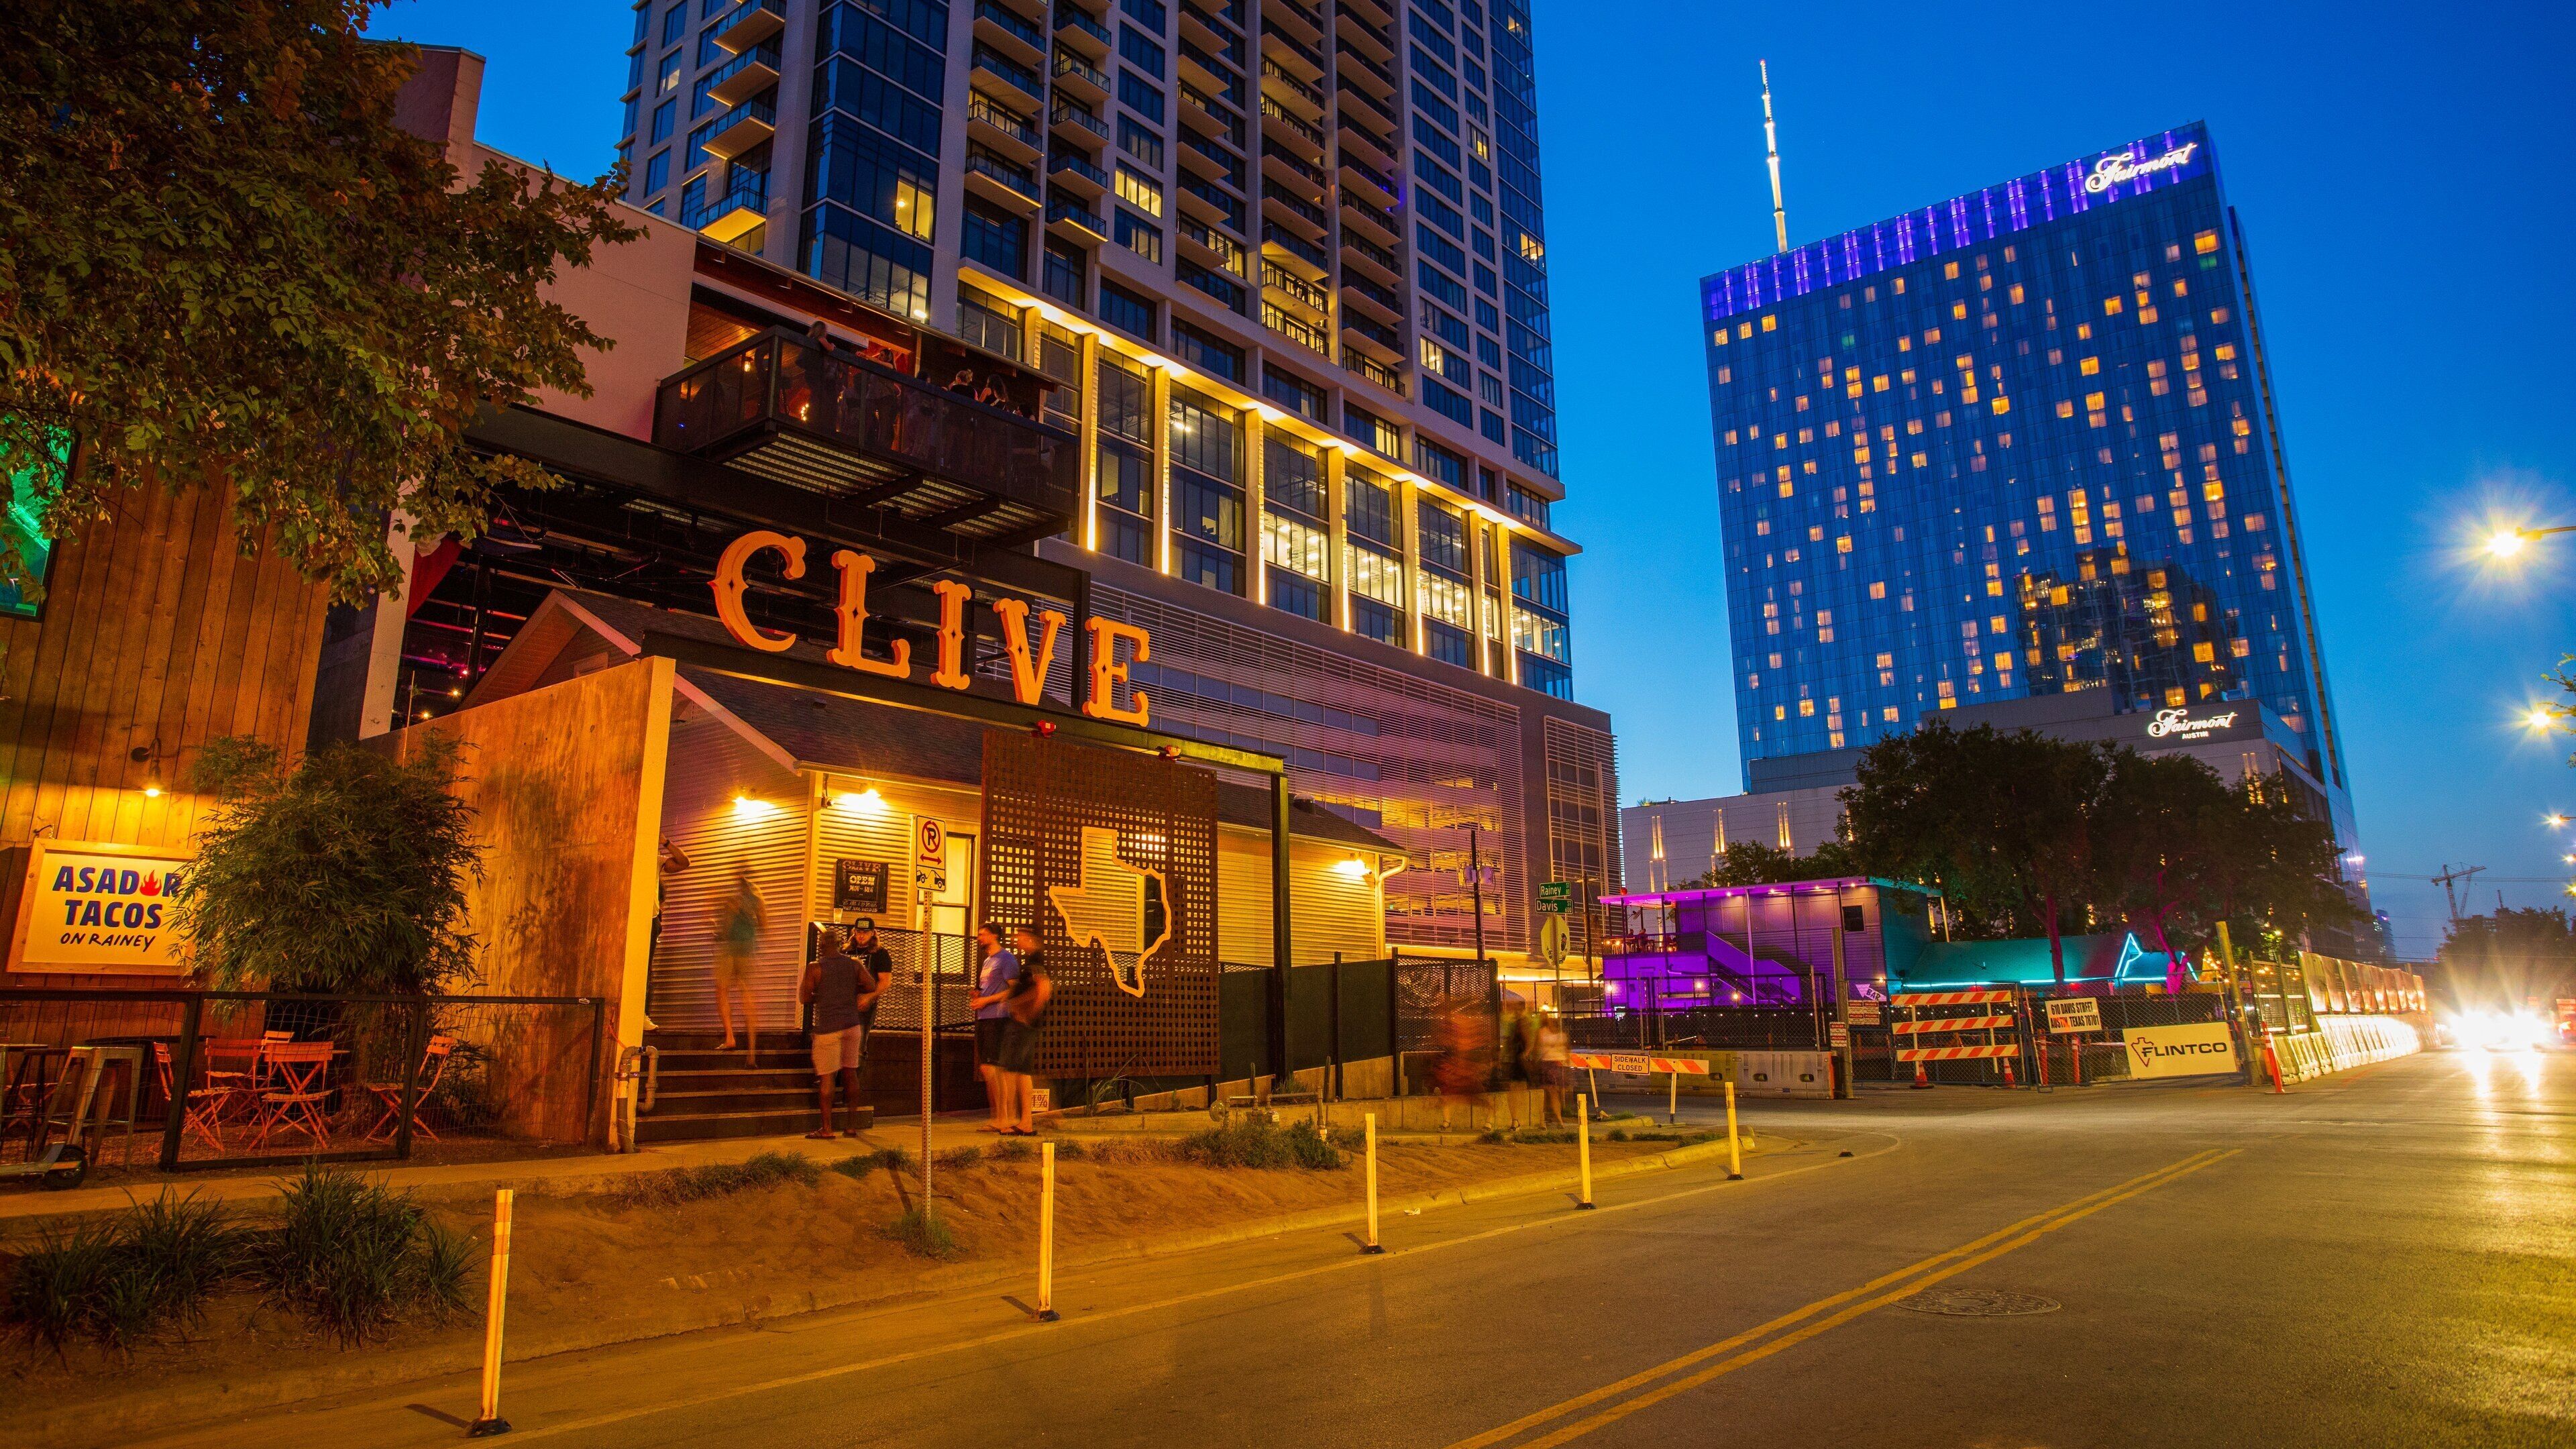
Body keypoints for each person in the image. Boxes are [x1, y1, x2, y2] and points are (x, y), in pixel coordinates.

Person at [798, 922, 883, 1139]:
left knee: (827, 1078)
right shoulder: (854, 964)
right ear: (839, 945)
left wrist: (823, 996)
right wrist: (850, 992)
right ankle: (851, 1126)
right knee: (851, 1073)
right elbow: (871, 986)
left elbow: (804, 998)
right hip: (852, 1026)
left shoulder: (815, 967)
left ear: (821, 946)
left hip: (828, 1028)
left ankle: (827, 1129)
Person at [996, 925, 1054, 1135]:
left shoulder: (1036, 961)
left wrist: (1025, 1013)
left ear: (1030, 938)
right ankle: (1023, 1122)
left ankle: (1015, 1120)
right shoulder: (1033, 961)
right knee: (1021, 1072)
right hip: (1026, 1023)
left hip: (1024, 1024)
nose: (1017, 939)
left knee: (1013, 1071)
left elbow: (1043, 990)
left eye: (1020, 936)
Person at [967, 923, 1019, 1133]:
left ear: (995, 935)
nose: (979, 937)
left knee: (995, 1069)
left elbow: (1014, 989)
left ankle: (1004, 1117)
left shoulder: (1006, 959)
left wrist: (987, 1000)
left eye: (983, 934)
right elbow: (990, 988)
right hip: (984, 1017)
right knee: (988, 1069)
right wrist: (979, 995)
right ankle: (998, 1116)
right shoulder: (988, 960)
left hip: (999, 1018)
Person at [714, 865, 767, 1062]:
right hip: (748, 947)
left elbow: (727, 925)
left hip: (730, 947)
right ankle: (751, 1054)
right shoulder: (756, 894)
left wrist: (718, 931)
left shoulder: (733, 895)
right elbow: (764, 924)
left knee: (722, 990)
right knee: (747, 995)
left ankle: (730, 1037)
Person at [1536, 1009, 1572, 1128]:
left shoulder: (1543, 1033)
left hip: (1549, 1065)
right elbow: (1567, 1051)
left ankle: (1549, 1118)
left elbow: (1537, 1048)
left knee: (1549, 1093)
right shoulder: (1560, 1036)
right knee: (1553, 1093)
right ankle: (1555, 1119)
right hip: (1556, 1065)